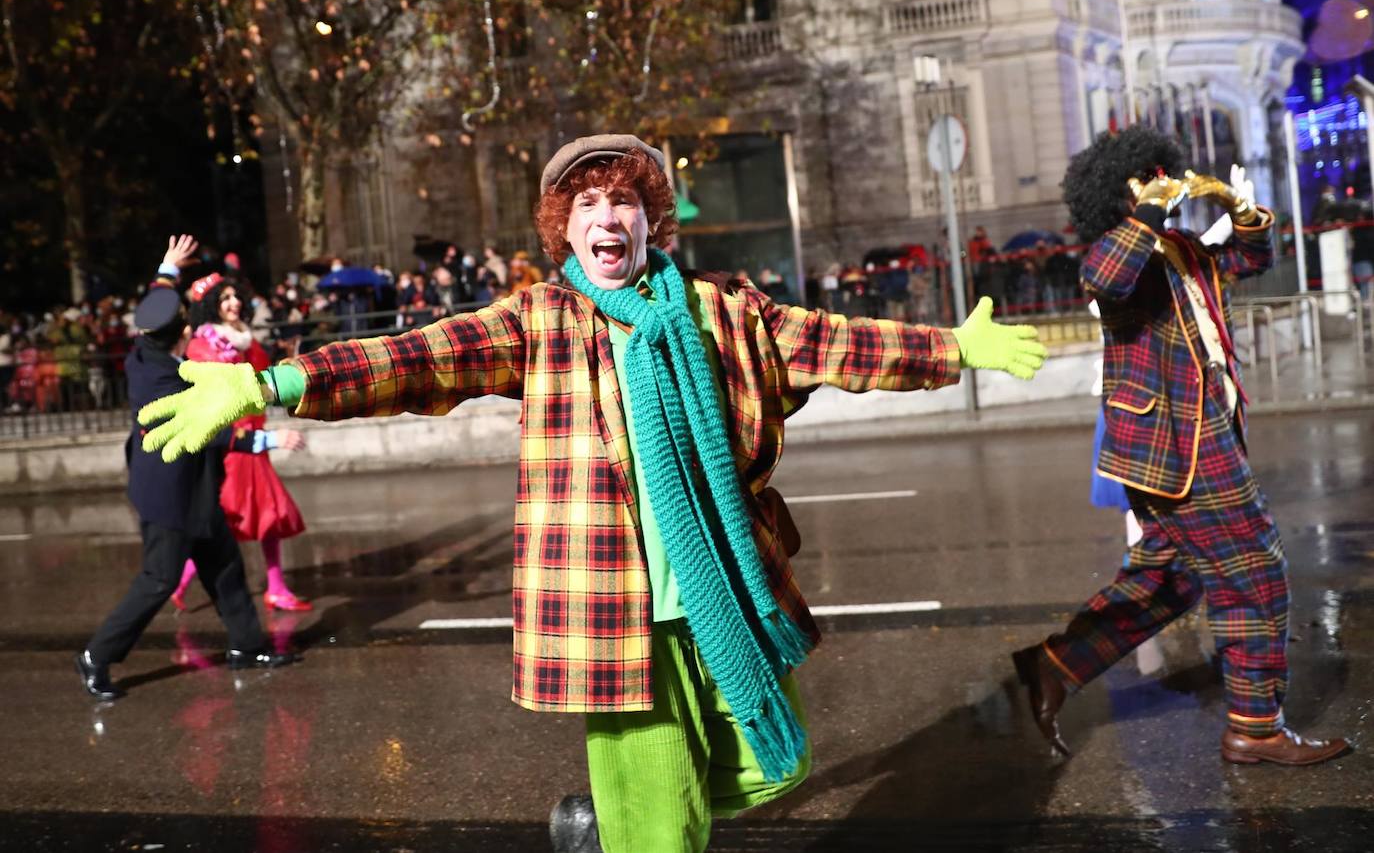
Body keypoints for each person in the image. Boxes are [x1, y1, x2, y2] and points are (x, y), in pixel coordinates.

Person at [136, 135, 1047, 852]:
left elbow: (837, 343)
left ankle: (602, 827)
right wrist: (272, 385)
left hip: (720, 596)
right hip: (613, 612)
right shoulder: (540, 319)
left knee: (778, 759)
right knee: (661, 824)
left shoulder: (718, 314)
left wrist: (953, 350)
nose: (607, 216)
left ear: (653, 220)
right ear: (563, 227)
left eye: (624, 200)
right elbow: (416, 354)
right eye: (587, 202)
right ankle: (630, 828)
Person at [1012, 124, 1350, 766]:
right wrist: (1146, 212)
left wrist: (1243, 212)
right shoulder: (1120, 255)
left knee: (1168, 579)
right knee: (1256, 571)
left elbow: (1253, 258)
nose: (1167, 181)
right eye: (1150, 178)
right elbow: (1104, 277)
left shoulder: (1182, 249)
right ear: (1124, 194)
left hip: (1199, 438)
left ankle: (1056, 664)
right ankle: (1255, 727)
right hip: (1179, 444)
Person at [75, 235, 299, 701]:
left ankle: (247, 646)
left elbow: (153, 307)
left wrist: (168, 267)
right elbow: (214, 427)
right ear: (179, 332)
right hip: (168, 493)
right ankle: (96, 656)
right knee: (158, 579)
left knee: (224, 566)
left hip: (193, 486)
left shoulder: (144, 354)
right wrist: (266, 439)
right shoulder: (168, 378)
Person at [168, 271, 311, 613]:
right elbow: (222, 391)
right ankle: (183, 578)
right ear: (211, 307)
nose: (233, 304)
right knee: (246, 515)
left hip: (252, 432)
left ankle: (184, 580)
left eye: (235, 297)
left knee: (256, 515)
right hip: (234, 439)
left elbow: (260, 380)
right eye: (224, 299)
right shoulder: (203, 344)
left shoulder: (245, 338)